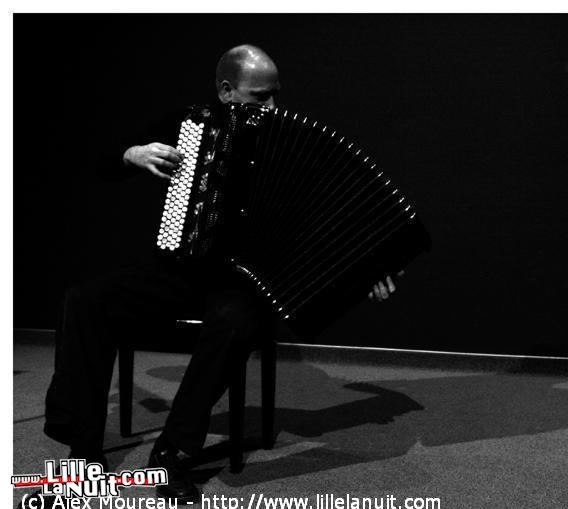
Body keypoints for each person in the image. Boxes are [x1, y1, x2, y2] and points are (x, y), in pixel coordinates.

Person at [40, 44, 398, 505]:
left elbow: (332, 211)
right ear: (227, 91)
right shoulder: (191, 124)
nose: (271, 107)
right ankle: (82, 449)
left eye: (275, 95)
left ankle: (171, 454)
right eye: (259, 97)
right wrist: (132, 154)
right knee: (85, 299)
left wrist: (367, 263)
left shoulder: (286, 140)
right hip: (182, 268)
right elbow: (102, 164)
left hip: (245, 282)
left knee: (235, 322)